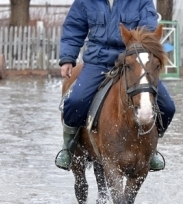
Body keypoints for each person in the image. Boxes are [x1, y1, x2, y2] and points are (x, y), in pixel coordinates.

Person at [55, 0, 176, 171]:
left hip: (132, 61)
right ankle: (69, 146)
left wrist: (138, 51)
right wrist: (68, 58)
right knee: (76, 101)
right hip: (98, 61)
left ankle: (152, 149)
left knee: (168, 106)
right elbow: (74, 27)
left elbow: (148, 31)